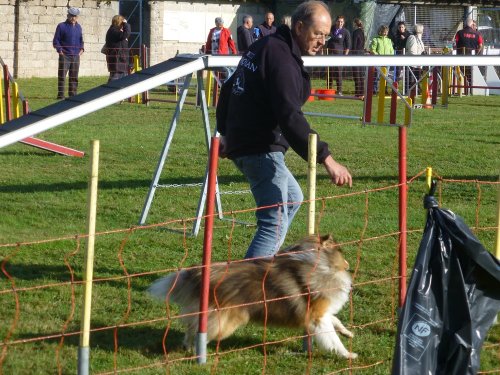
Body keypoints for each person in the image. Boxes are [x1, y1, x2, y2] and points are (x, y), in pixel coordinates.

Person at [216, 0, 352, 259]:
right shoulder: (281, 58)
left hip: (246, 142)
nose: (322, 41)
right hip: (259, 148)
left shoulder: (265, 46)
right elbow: (290, 117)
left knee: (292, 196)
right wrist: (326, 158)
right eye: (317, 34)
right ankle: (249, 289)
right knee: (272, 223)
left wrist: (225, 132)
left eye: (326, 35)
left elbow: (229, 87)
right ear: (299, 27)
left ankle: (266, 272)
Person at [53, 7, 84, 99]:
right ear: (68, 15)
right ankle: (61, 95)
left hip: (76, 55)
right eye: (72, 16)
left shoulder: (79, 27)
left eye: (75, 16)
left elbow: (81, 40)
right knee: (62, 76)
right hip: (65, 55)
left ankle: (73, 95)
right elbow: (56, 40)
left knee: (74, 76)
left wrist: (82, 49)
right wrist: (60, 51)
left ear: (77, 17)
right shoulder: (61, 26)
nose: (73, 18)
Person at [455, 18, 483, 94]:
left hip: (461, 57)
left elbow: (456, 43)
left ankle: (461, 89)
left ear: (465, 24)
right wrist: (476, 53)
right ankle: (470, 89)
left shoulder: (459, 33)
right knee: (471, 74)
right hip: (472, 58)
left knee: (461, 73)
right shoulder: (478, 34)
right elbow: (480, 45)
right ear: (471, 24)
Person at [326, 15, 351, 95]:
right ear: (336, 21)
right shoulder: (330, 29)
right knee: (329, 72)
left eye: (341, 22)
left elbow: (348, 45)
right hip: (329, 54)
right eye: (338, 21)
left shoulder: (345, 32)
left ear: (343, 23)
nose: (340, 23)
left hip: (339, 56)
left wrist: (345, 56)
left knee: (338, 73)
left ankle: (339, 91)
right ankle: (329, 90)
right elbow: (326, 39)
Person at [105, 15, 131, 82]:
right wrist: (126, 24)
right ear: (119, 22)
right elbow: (126, 34)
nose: (122, 25)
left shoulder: (116, 31)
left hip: (121, 61)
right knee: (114, 83)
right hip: (117, 62)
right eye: (122, 23)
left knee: (122, 84)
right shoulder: (113, 31)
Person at [369, 25, 394, 94]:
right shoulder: (375, 39)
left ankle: (384, 90)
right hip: (378, 61)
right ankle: (374, 90)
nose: (385, 33)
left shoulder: (389, 40)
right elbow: (373, 50)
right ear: (380, 32)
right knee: (377, 76)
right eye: (384, 32)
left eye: (386, 32)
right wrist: (378, 56)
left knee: (385, 76)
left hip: (387, 61)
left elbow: (391, 50)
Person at [351, 18, 366, 98]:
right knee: (361, 74)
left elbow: (354, 44)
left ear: (355, 24)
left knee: (356, 74)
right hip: (361, 54)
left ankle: (358, 92)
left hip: (356, 54)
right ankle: (362, 92)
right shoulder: (362, 32)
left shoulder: (356, 32)